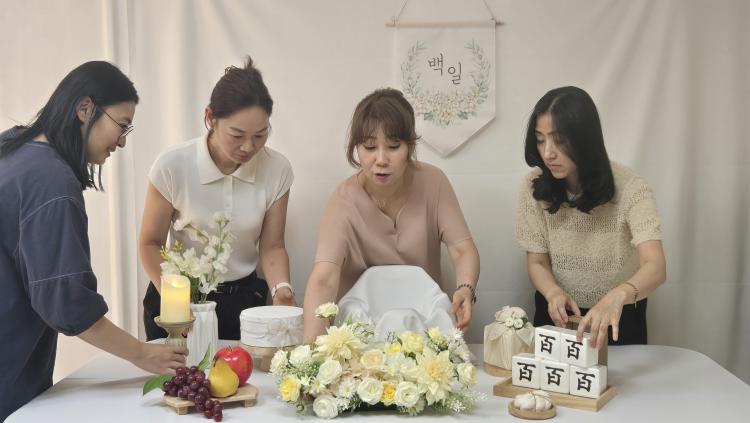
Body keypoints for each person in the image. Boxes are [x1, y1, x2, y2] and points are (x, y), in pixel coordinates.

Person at [0, 61, 187, 420]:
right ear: (85, 109)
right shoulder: (51, 183)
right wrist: (143, 353)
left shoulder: (12, 146)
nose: (123, 140)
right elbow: (69, 305)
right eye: (121, 124)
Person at [302, 88, 480, 343]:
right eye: (369, 147)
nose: (381, 159)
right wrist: (309, 348)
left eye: (394, 146)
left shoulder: (434, 182)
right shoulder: (343, 200)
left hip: (423, 329)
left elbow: (462, 249)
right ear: (356, 148)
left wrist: (465, 288)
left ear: (410, 146)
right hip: (361, 335)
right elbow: (324, 278)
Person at [139, 56, 294, 341]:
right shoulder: (173, 166)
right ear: (210, 117)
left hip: (243, 302)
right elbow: (150, 243)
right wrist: (177, 301)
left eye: (260, 135)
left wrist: (281, 290)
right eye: (237, 135)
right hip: (178, 300)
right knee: (180, 371)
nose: (249, 147)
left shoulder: (276, 169)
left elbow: (272, 246)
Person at [516, 86, 667, 348]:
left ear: (585, 139)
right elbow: (537, 262)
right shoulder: (533, 187)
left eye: (559, 140)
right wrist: (552, 292)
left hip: (618, 316)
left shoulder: (631, 188)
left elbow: (655, 265)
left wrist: (620, 295)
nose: (548, 153)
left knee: (622, 376)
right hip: (558, 313)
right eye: (540, 140)